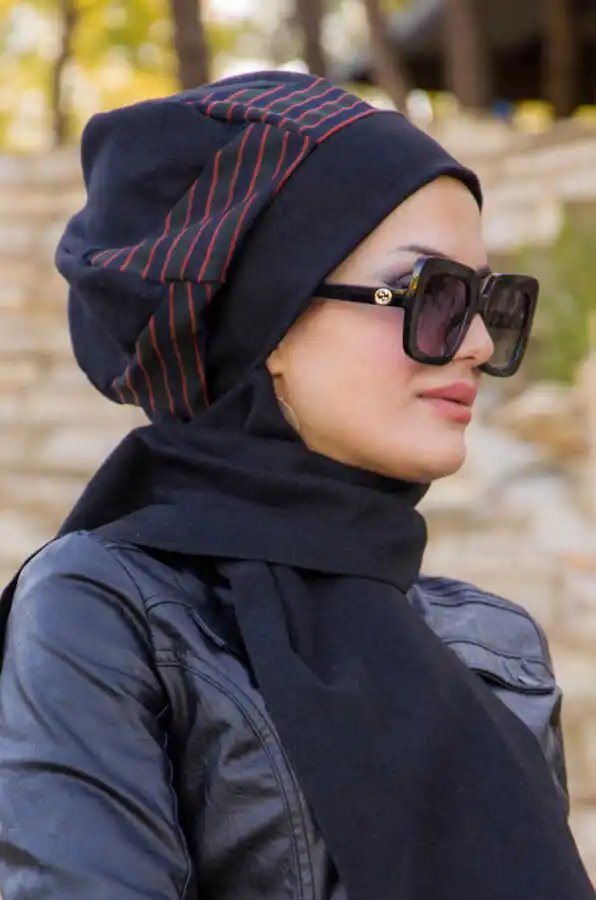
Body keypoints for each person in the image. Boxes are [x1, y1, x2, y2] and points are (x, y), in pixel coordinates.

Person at [0, 70, 593, 900]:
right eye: (435, 296)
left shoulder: (495, 646)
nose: (476, 346)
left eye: (490, 302)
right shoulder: (104, 609)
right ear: (269, 320)